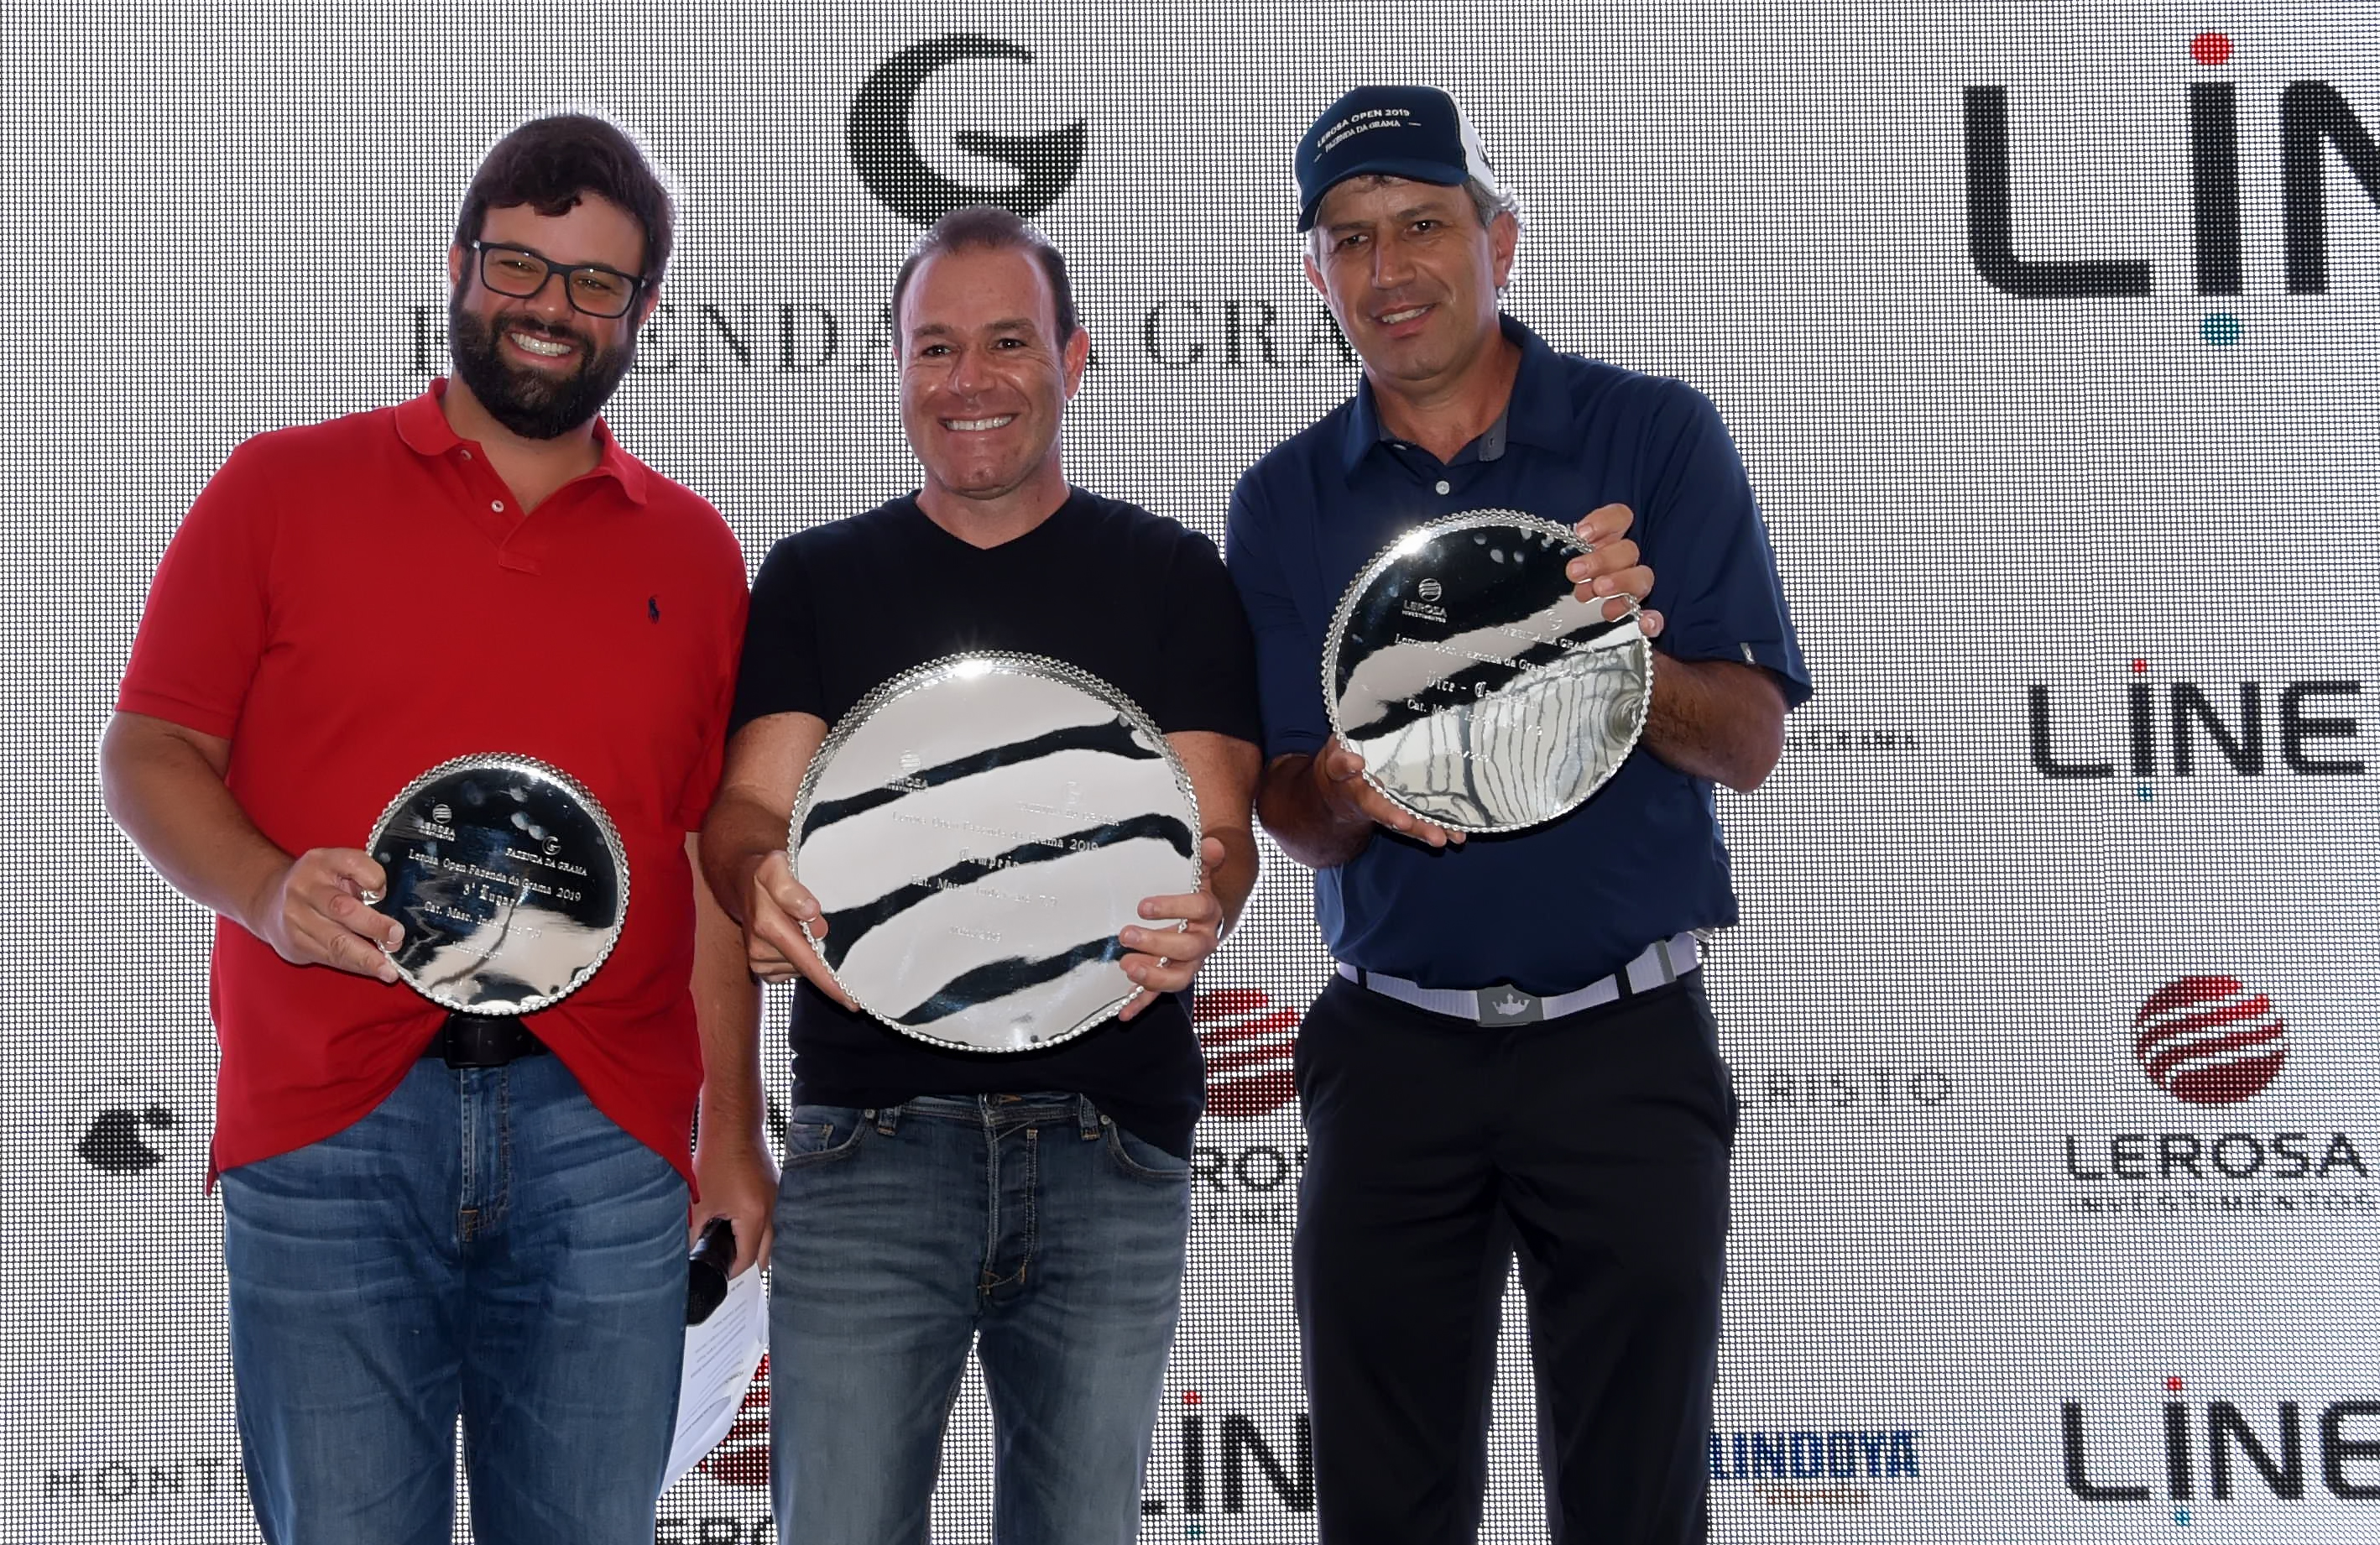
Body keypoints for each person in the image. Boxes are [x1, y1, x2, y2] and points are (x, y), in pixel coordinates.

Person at [97, 112, 775, 1545]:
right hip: (331, 1117)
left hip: (606, 1134)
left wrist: (732, 1131)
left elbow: (703, 867)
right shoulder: (280, 489)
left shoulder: (697, 552)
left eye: (595, 281)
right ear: (458, 265)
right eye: (518, 264)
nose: (550, 306)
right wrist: (271, 892)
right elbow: (149, 750)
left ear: (645, 309)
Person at [1225, 86, 1811, 1543]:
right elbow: (1293, 807)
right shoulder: (1282, 499)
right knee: (1384, 1507)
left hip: (1625, 1050)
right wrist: (1345, 787)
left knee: (1635, 1506)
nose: (1388, 269)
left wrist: (1617, 657)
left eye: (1423, 223)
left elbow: (1748, 742)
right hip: (1394, 1057)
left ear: (1501, 240)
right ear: (1316, 274)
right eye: (1349, 239)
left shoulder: (1652, 433)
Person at [698, 204, 1263, 1542]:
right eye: (935, 347)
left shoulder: (1174, 575)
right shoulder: (818, 577)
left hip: (1111, 1138)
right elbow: (747, 809)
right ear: (897, 367)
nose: (970, 380)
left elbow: (1218, 832)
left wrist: (1212, 900)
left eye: (1009, 341)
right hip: (871, 1139)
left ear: (1075, 359)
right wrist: (755, 873)